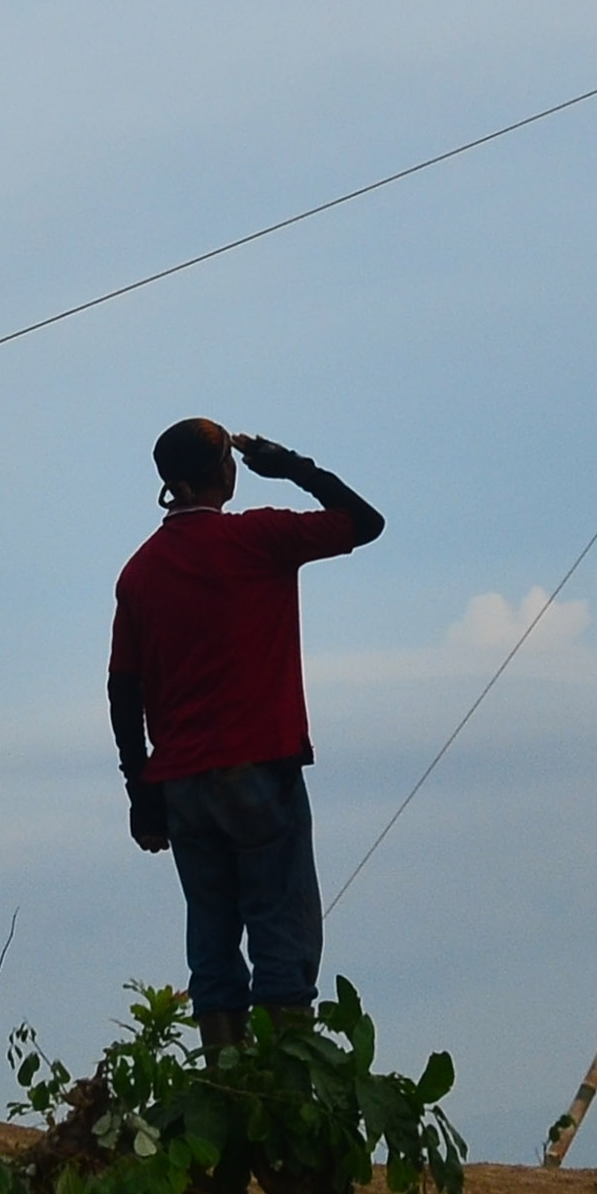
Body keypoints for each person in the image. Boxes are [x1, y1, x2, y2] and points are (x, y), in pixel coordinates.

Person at [108, 417, 384, 1042]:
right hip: (263, 769)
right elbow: (365, 523)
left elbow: (122, 690)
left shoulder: (139, 574)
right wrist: (290, 465)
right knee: (282, 942)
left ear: (168, 485)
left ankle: (226, 1094)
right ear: (228, 474)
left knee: (211, 945)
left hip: (182, 787)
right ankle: (283, 1100)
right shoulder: (261, 538)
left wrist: (140, 788)